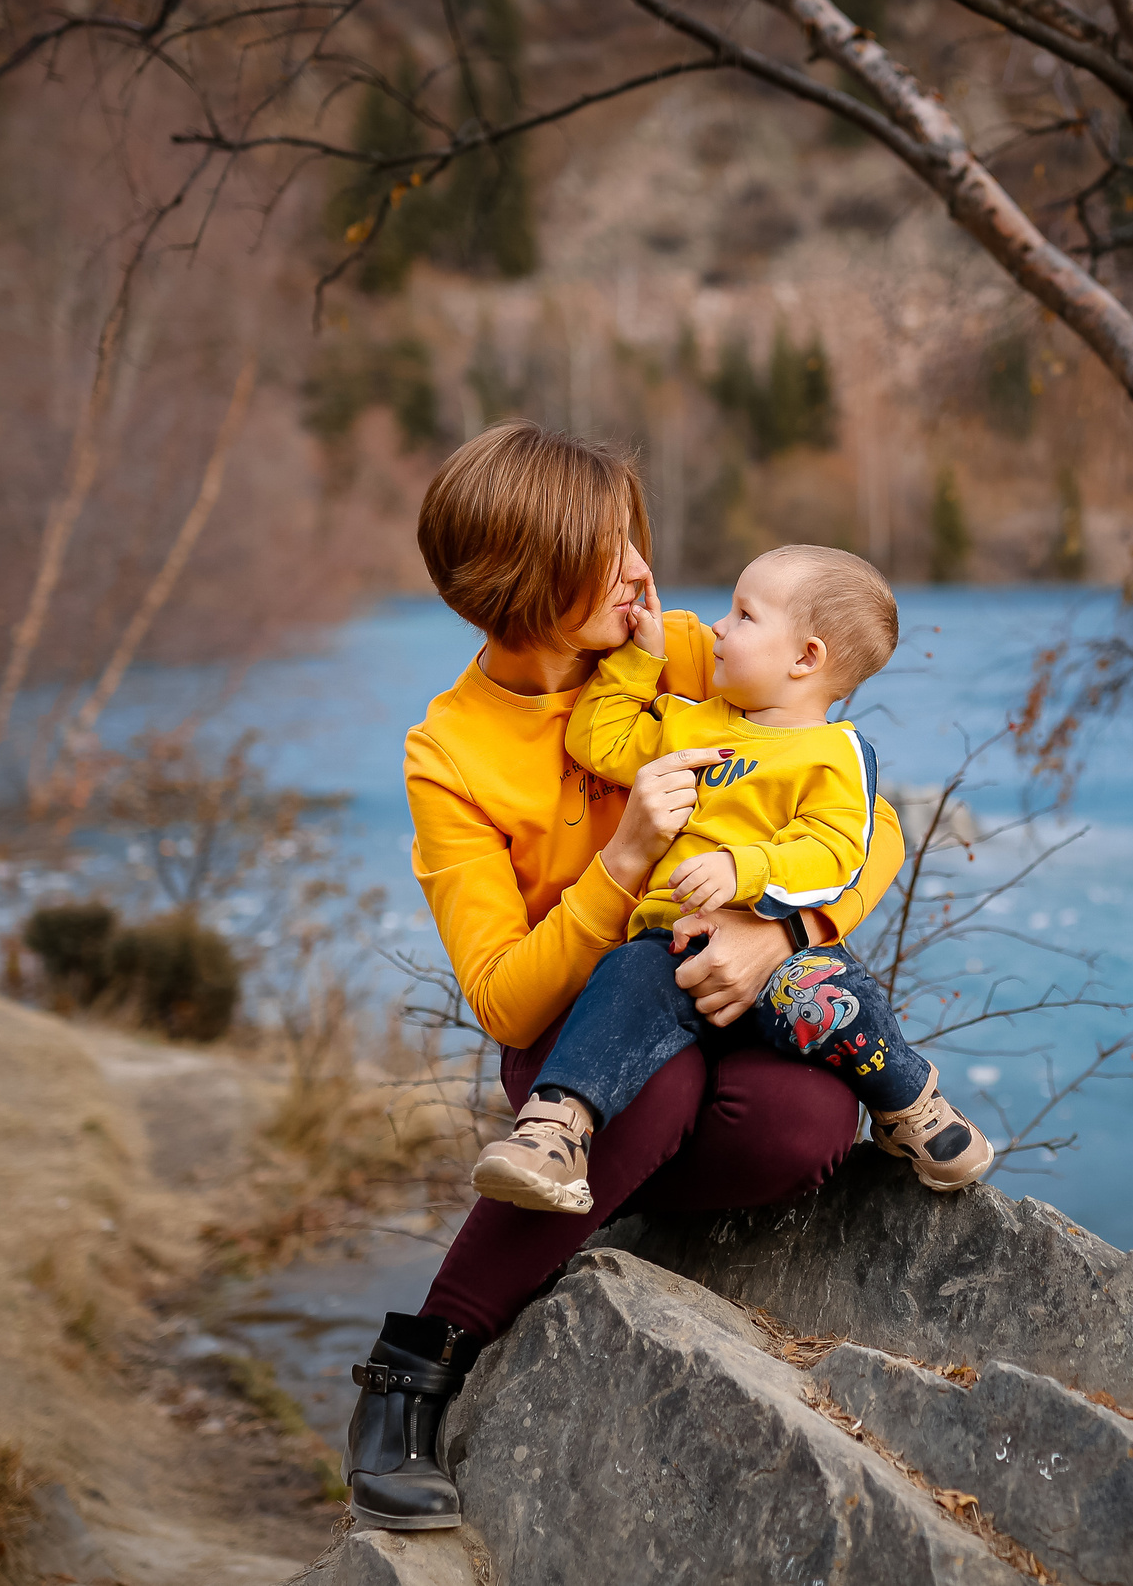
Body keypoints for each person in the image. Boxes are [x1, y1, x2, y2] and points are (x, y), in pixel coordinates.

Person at [340, 423, 908, 1532]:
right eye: (608, 555)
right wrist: (622, 864)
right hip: (575, 1044)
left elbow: (863, 817)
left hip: (724, 992)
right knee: (652, 1093)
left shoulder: (682, 651)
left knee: (807, 1128)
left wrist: (785, 933)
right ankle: (417, 1364)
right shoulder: (449, 752)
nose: (644, 573)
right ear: (527, 578)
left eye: (634, 541)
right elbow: (505, 998)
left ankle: (584, 1201)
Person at [468, 544, 992, 1217]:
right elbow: (598, 741)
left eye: (744, 615)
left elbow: (837, 851)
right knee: (622, 983)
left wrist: (746, 870)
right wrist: (639, 662)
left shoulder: (833, 755)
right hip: (671, 944)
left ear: (805, 657)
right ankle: (556, 1130)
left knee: (836, 995)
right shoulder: (695, 720)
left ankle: (909, 1104)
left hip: (775, 952)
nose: (718, 625)